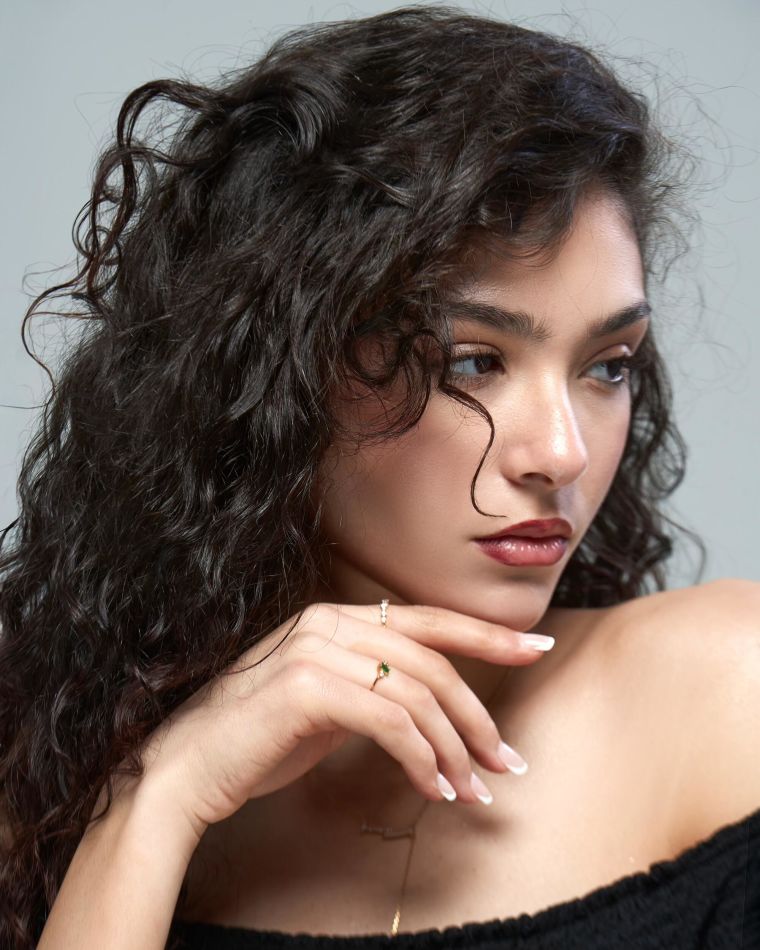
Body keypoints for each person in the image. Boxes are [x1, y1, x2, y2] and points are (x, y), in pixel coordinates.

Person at [1, 4, 758, 949]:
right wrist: (160, 797)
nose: (562, 453)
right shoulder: (46, 782)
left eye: (607, 366)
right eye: (473, 363)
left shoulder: (730, 693)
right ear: (278, 373)